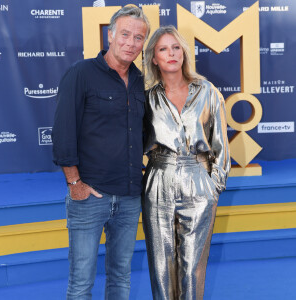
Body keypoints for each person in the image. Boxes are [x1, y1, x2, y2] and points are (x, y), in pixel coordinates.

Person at [52, 6, 150, 300]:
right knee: (81, 283)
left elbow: (143, 134)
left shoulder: (139, 81)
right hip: (89, 195)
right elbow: (63, 131)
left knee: (121, 277)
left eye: (138, 37)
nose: (131, 43)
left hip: (130, 196)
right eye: (125, 34)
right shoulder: (80, 73)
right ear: (110, 35)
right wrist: (74, 184)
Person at [142, 25, 231, 300]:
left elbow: (221, 146)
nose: (171, 54)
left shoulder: (207, 91)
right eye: (163, 49)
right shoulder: (145, 97)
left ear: (184, 53)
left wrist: (213, 186)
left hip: (199, 180)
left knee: (193, 269)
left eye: (176, 47)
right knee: (161, 268)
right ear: (154, 58)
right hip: (158, 179)